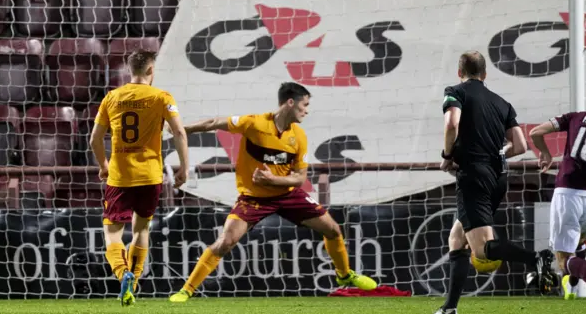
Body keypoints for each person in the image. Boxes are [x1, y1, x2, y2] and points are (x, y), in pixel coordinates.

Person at [167, 82, 377, 302]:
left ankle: (344, 276)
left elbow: (300, 178)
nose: (307, 110)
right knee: (226, 241)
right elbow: (214, 123)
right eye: (304, 105)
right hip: (254, 197)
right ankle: (187, 290)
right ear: (290, 102)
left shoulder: (299, 136)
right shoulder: (254, 123)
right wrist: (182, 129)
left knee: (333, 229)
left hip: (287, 195)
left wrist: (272, 179)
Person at [436, 51, 555, 314]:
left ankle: (536, 257)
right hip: (499, 178)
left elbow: (451, 125)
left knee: (481, 249)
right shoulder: (502, 103)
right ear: (485, 74)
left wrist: (447, 155)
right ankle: (449, 309)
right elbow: (521, 145)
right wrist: (495, 153)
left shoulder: (455, 91)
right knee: (457, 239)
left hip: (473, 177)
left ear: (460, 73)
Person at [90, 50, 190, 306]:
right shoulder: (161, 97)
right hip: (150, 175)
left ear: (128, 70)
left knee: (112, 235)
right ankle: (132, 282)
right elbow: (178, 131)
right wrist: (184, 168)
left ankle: (122, 274)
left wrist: (104, 164)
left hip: (120, 177)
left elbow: (94, 139)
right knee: (142, 229)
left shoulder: (112, 97)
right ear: (150, 70)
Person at [529, 83, 586, 301]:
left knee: (562, 259)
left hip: (568, 194)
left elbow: (536, 132)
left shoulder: (575, 117)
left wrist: (545, 153)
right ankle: (570, 285)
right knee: (579, 241)